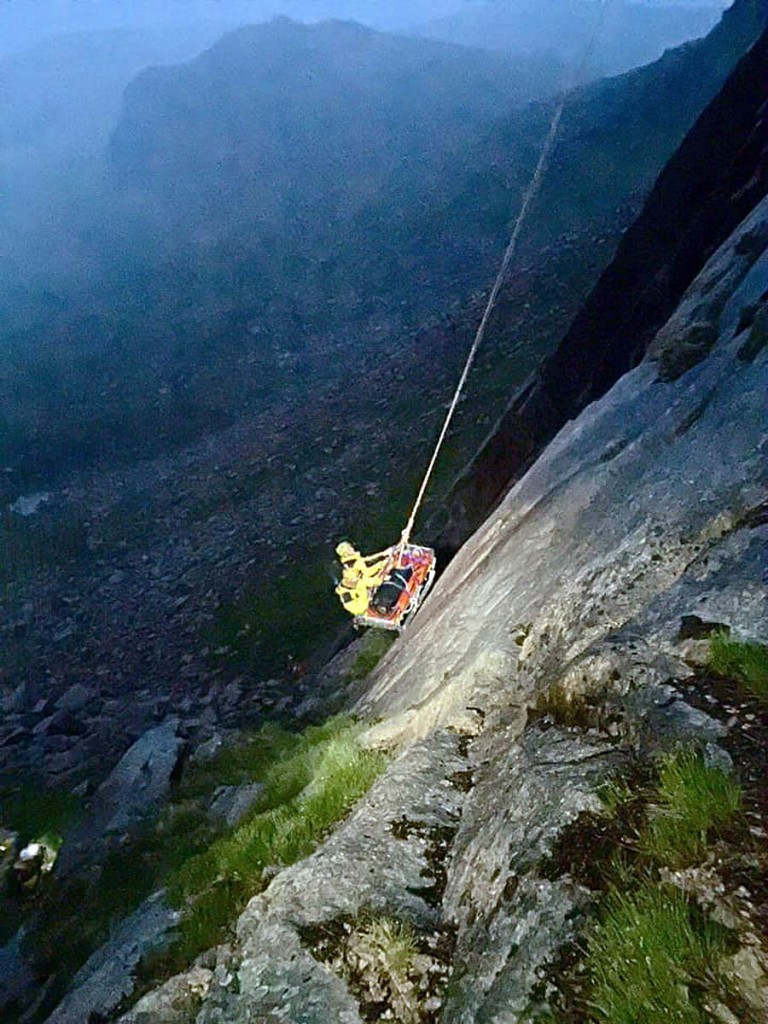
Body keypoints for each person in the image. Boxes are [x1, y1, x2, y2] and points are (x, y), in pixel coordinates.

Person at [334, 540, 393, 616]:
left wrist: (382, 560)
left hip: (352, 597)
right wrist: (382, 577)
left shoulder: (350, 563)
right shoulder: (354, 564)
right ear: (346, 553)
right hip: (357, 605)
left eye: (350, 547)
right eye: (349, 548)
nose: (352, 549)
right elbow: (368, 574)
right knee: (370, 585)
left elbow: (367, 562)